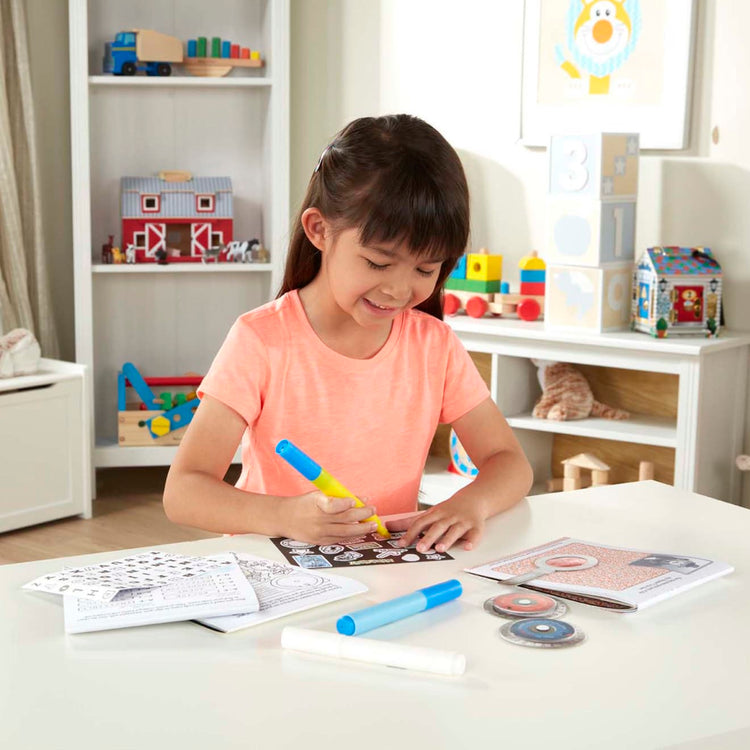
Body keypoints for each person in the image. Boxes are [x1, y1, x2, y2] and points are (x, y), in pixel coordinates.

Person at [163, 114, 532, 553]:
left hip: (383, 568)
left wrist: (471, 503)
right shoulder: (261, 340)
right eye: (378, 262)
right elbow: (183, 492)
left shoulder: (433, 346)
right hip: (276, 567)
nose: (398, 289)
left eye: (425, 269)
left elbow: (509, 463)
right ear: (319, 230)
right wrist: (284, 516)